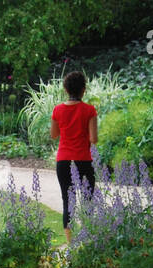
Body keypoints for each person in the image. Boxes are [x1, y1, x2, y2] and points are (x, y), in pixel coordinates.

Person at [50, 71, 98, 245]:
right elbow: (94, 139)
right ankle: (88, 242)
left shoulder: (57, 110)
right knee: (88, 201)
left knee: (68, 201)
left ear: (65, 89)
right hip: (83, 160)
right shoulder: (89, 110)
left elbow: (54, 135)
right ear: (83, 90)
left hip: (63, 161)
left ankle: (71, 245)